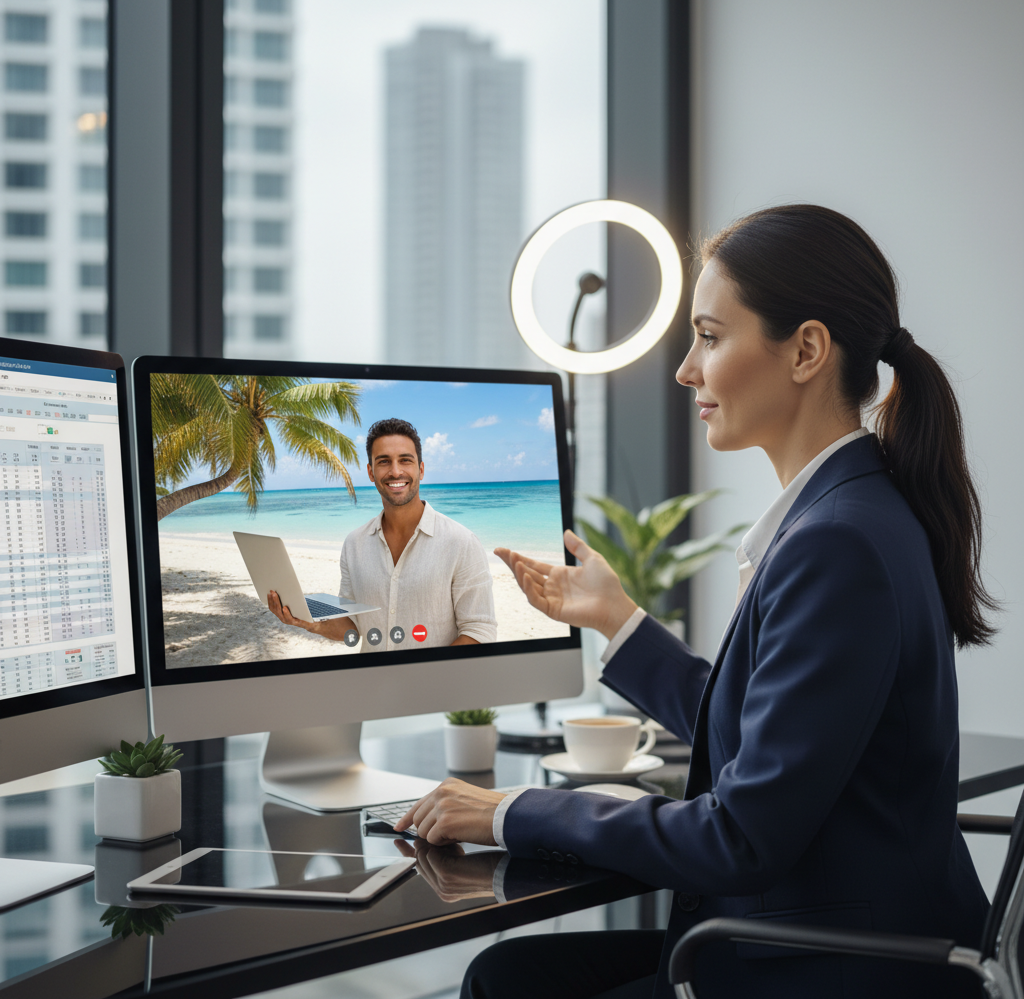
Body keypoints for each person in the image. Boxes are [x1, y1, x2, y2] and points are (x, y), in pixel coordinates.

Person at [395, 205, 998, 999]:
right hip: (832, 937)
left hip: (833, 968)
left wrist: (513, 810)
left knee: (507, 983)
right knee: (508, 974)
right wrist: (617, 619)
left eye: (710, 337)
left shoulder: (835, 544)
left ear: (806, 351)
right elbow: (762, 728)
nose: (685, 371)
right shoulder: (857, 509)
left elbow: (739, 838)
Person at [269, 417, 497, 650]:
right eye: (384, 461)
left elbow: (480, 631)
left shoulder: (462, 543)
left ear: (421, 469)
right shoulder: (354, 544)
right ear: (371, 472)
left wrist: (428, 671)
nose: (395, 472)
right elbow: (353, 626)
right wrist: (310, 623)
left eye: (405, 460)